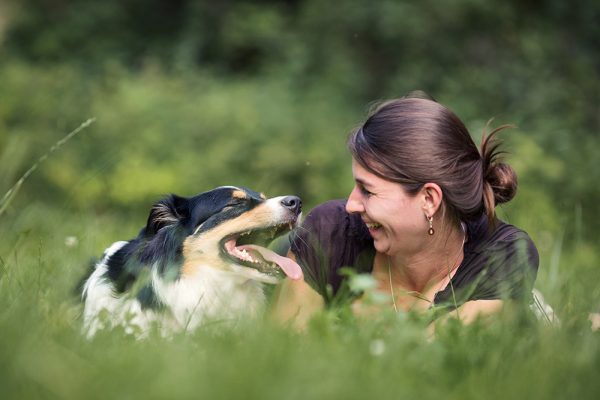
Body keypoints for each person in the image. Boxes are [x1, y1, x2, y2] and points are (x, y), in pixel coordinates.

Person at [272, 92, 539, 326]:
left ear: (429, 199)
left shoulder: (503, 256)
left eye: (368, 190)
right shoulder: (330, 230)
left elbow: (428, 360)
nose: (352, 204)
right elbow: (286, 348)